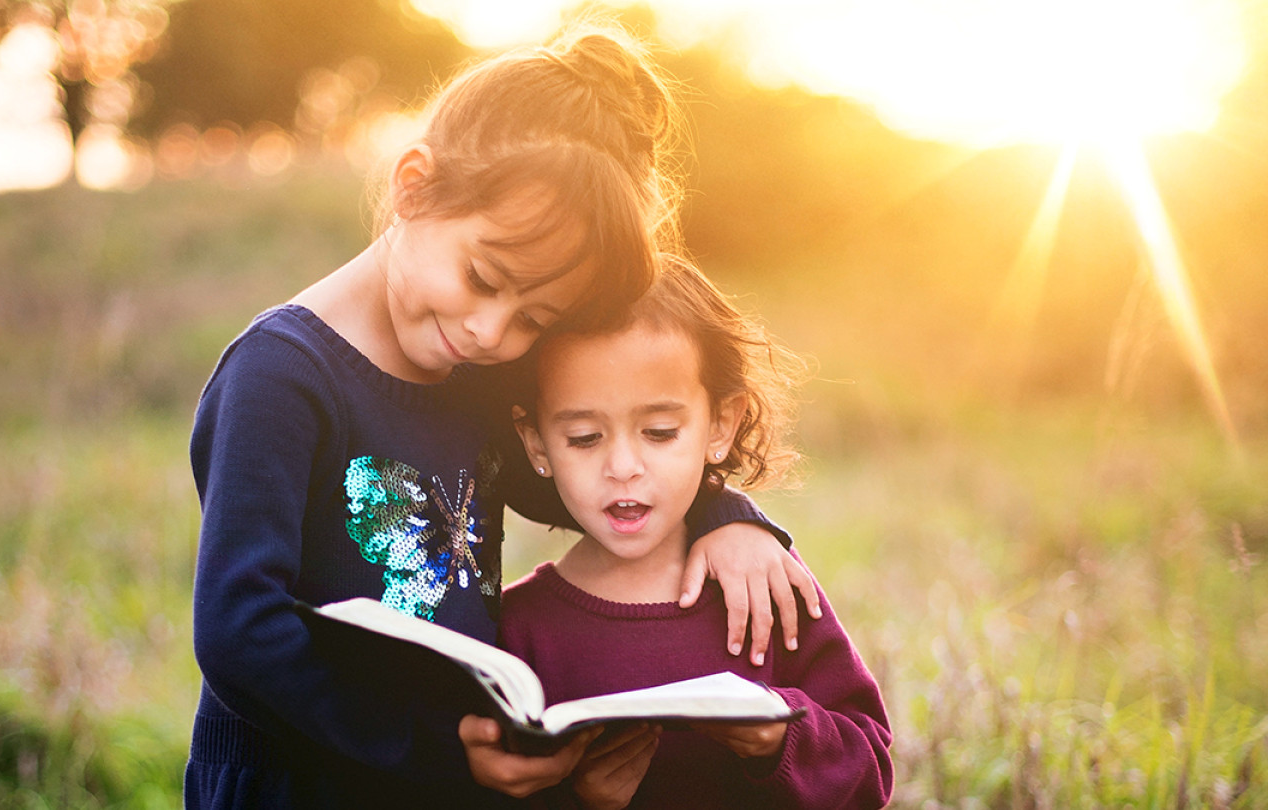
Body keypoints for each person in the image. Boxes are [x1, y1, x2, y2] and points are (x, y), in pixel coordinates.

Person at [184, 23, 819, 808]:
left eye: (534, 318)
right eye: (484, 277)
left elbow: (593, 485)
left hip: (445, 778)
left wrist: (729, 517)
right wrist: (437, 749)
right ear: (414, 185)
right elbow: (238, 633)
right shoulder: (282, 377)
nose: (493, 332)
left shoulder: (472, 372)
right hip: (296, 779)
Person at [502, 259, 893, 809]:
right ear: (538, 443)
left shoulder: (763, 582)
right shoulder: (521, 628)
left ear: (720, 426)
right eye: (584, 437)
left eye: (659, 432)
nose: (622, 466)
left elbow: (871, 769)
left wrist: (779, 740)